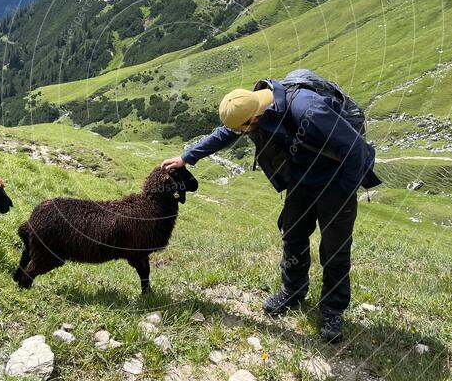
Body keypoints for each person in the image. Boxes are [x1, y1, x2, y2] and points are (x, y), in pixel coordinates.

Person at [162, 75, 380, 343]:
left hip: (336, 182)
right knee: (293, 233)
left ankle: (332, 311)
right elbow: (227, 132)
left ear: (252, 119)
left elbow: (356, 149)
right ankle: (293, 291)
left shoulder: (309, 109)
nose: (242, 134)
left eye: (244, 130)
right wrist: (187, 157)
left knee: (334, 247)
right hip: (302, 179)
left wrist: (344, 192)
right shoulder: (256, 106)